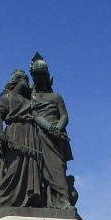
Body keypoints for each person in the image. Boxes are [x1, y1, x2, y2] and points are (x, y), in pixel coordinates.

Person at [0, 69, 41, 208]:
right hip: (15, 132)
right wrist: (0, 134)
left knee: (29, 163)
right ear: (18, 80)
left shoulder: (27, 99)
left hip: (30, 134)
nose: (27, 83)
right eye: (25, 80)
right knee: (15, 165)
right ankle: (7, 198)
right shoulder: (7, 97)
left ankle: (28, 197)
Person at [28, 53, 75, 208]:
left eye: (38, 76)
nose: (36, 79)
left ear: (45, 76)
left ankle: (63, 199)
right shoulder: (31, 96)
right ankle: (42, 200)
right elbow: (32, 114)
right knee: (39, 168)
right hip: (39, 134)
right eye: (34, 76)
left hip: (56, 137)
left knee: (57, 168)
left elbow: (64, 117)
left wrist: (57, 128)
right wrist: (48, 128)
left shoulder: (56, 97)